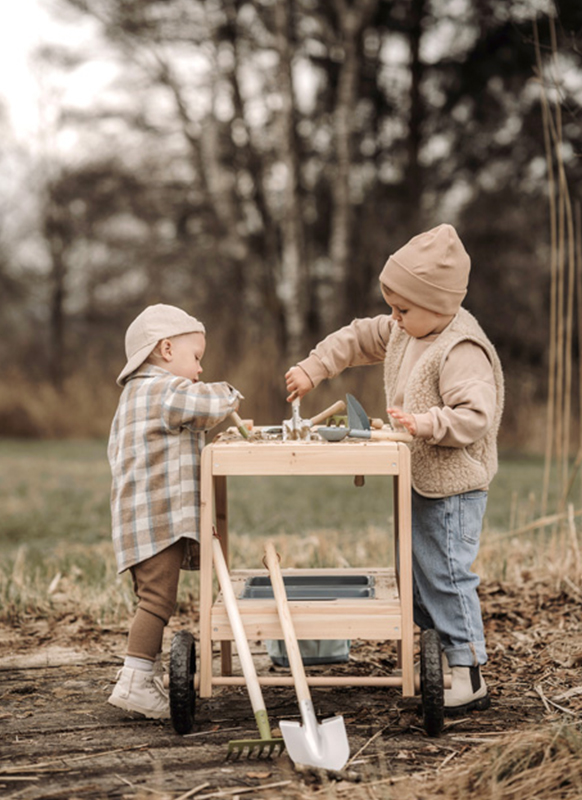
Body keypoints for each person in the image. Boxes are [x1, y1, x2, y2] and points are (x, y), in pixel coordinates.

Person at [285, 224, 504, 714]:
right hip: (419, 478)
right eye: (392, 307)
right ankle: (438, 656)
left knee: (446, 573)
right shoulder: (409, 330)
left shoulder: (460, 348)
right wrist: (315, 367)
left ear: (440, 306)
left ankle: (468, 672)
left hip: (453, 486)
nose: (394, 319)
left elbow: (476, 415)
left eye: (402, 309)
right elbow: (359, 337)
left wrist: (428, 422)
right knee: (416, 572)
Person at [107, 303, 242, 719]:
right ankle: (135, 678)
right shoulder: (161, 389)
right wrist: (231, 395)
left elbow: (188, 427)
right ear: (166, 349)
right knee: (156, 602)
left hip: (144, 520)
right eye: (196, 357)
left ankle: (142, 674)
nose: (200, 368)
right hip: (155, 521)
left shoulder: (142, 394)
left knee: (154, 599)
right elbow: (204, 404)